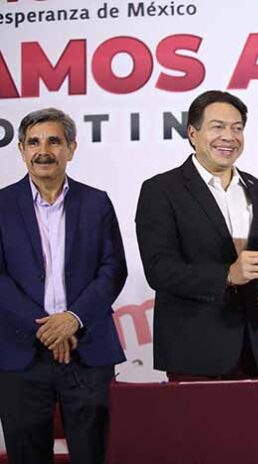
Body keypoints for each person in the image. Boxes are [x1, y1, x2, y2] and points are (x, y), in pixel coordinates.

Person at [0, 108, 127, 464]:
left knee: (93, 455)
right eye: (33, 143)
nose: (43, 151)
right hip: (20, 354)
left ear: (71, 148)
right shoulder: (1, 205)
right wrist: (47, 328)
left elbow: (113, 268)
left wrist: (72, 319)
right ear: (22, 150)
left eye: (54, 141)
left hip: (88, 351)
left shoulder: (97, 202)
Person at [135, 90, 258, 380]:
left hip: (252, 349)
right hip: (193, 352)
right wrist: (227, 275)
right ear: (193, 133)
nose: (229, 137)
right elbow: (159, 269)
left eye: (237, 128)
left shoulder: (257, 189)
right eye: (218, 127)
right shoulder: (161, 190)